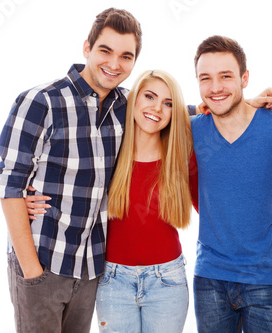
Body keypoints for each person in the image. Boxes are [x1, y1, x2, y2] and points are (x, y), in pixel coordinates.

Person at [0, 8, 142, 332]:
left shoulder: (130, 106)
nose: (114, 64)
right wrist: (32, 272)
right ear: (87, 48)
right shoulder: (41, 101)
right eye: (105, 50)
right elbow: (10, 185)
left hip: (91, 269)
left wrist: (245, 103)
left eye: (126, 56)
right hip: (43, 262)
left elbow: (179, 113)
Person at [191, 35, 272, 332]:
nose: (215, 87)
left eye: (226, 76)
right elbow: (153, 119)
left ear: (244, 78)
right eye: (205, 78)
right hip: (210, 278)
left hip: (266, 278)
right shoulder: (192, 130)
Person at [95, 69, 196, 332]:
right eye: (149, 96)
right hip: (113, 280)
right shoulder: (108, 152)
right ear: (133, 100)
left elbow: (212, 207)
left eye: (168, 103)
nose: (157, 108)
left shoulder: (182, 157)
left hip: (168, 281)